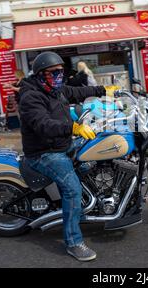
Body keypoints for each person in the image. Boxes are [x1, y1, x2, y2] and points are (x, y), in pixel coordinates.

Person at [19, 51, 113, 262]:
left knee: (99, 152)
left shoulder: (54, 89)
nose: (59, 76)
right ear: (41, 74)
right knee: (72, 190)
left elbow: (76, 91)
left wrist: (103, 90)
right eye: (54, 72)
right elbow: (43, 125)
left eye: (61, 71)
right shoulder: (31, 97)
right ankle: (73, 242)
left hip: (63, 143)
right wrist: (74, 127)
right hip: (44, 153)